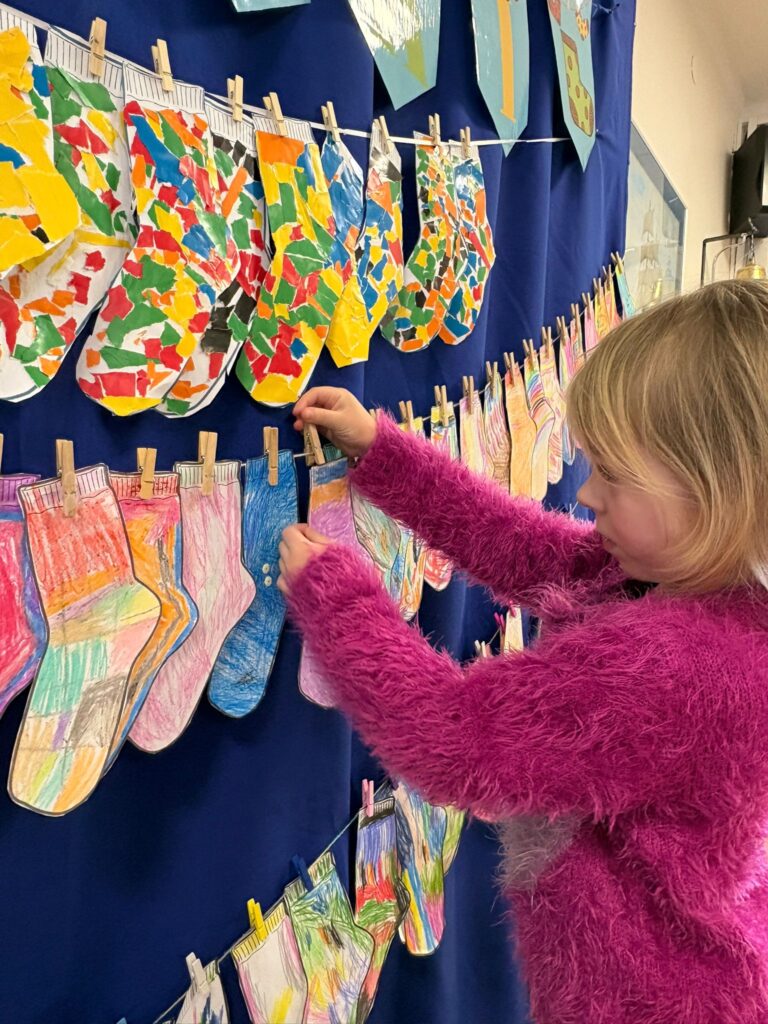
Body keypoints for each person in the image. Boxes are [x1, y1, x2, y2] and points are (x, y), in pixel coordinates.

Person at [277, 279, 768, 1024]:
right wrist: (383, 455)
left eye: (614, 475)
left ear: (718, 492)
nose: (588, 495)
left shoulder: (677, 667)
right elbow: (520, 546)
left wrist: (336, 599)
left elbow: (454, 741)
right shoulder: (688, 585)